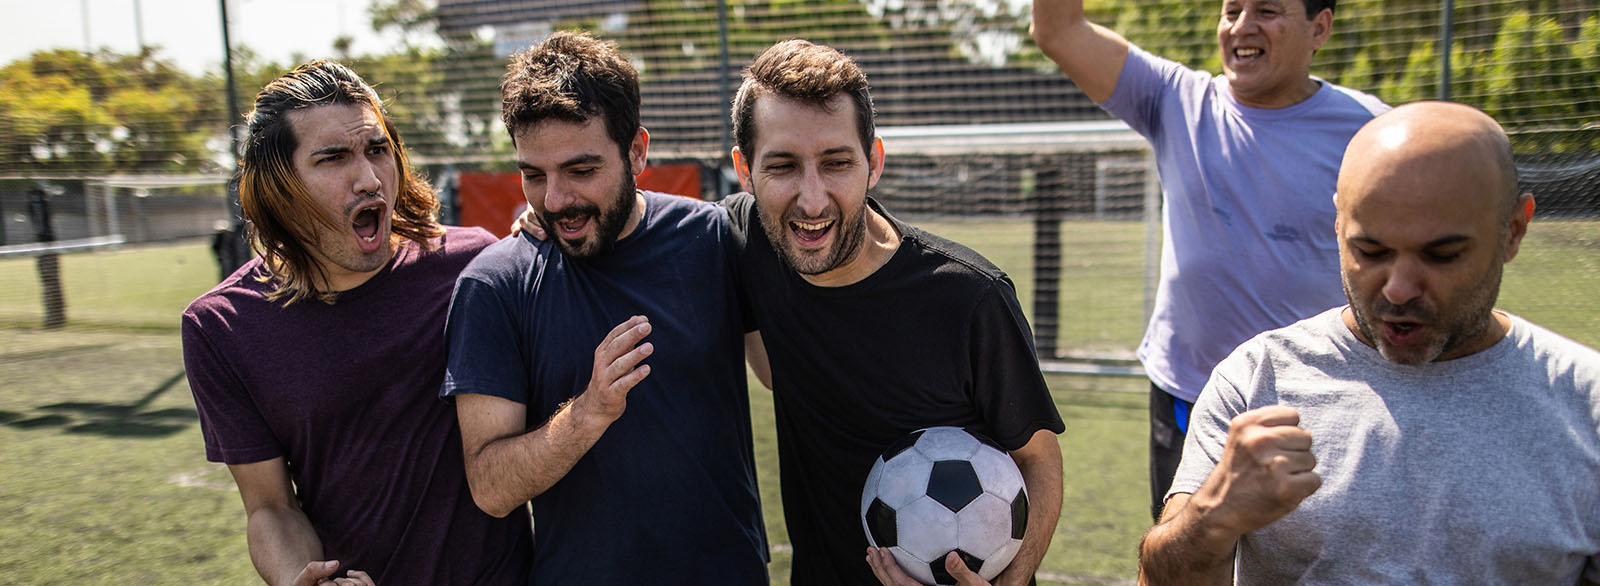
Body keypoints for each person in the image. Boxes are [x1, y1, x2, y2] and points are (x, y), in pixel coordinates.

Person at [1138, 101, 1600, 585]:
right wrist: (1214, 517)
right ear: (1339, 222)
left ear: (1514, 231)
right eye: (1370, 251)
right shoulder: (1258, 380)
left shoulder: (1584, 404)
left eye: (1440, 255)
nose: (1398, 288)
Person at [1030, 0, 1392, 521]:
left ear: (1320, 27)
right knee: (1186, 562)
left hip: (1317, 407)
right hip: (1189, 399)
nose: (1242, 26)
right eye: (1231, 10)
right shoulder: (1175, 98)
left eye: (1266, 10)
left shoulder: (1371, 131)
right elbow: (1058, 30)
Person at [724, 39, 1066, 586]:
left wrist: (1012, 581)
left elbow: (1040, 461)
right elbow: (644, 223)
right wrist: (541, 227)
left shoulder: (969, 298)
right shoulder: (743, 242)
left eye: (836, 163)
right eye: (783, 166)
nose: (812, 201)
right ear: (744, 170)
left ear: (873, 162)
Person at [180, 60, 532, 586]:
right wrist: (307, 578)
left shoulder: (473, 265)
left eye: (377, 150)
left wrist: (544, 249)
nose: (368, 179)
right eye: (333, 158)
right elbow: (271, 506)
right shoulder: (221, 327)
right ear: (279, 186)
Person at [439, 32, 767, 584]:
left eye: (581, 170)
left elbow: (783, 370)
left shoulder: (712, 241)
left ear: (637, 151)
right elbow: (490, 489)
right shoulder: (493, 286)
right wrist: (587, 414)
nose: (556, 198)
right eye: (534, 175)